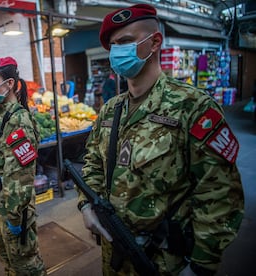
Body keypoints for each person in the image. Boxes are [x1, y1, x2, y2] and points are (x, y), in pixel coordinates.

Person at [76, 4, 244, 275]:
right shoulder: (110, 109)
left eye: (126, 42)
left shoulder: (193, 107)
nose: (117, 51)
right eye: (113, 45)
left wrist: (201, 265)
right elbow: (92, 163)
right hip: (114, 252)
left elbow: (220, 193)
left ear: (154, 43)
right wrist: (85, 205)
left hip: (165, 261)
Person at [0, 57, 46, 275]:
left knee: (26, 264)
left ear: (9, 84)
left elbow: (20, 175)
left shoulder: (19, 120)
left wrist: (16, 217)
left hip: (12, 208)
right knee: (8, 259)